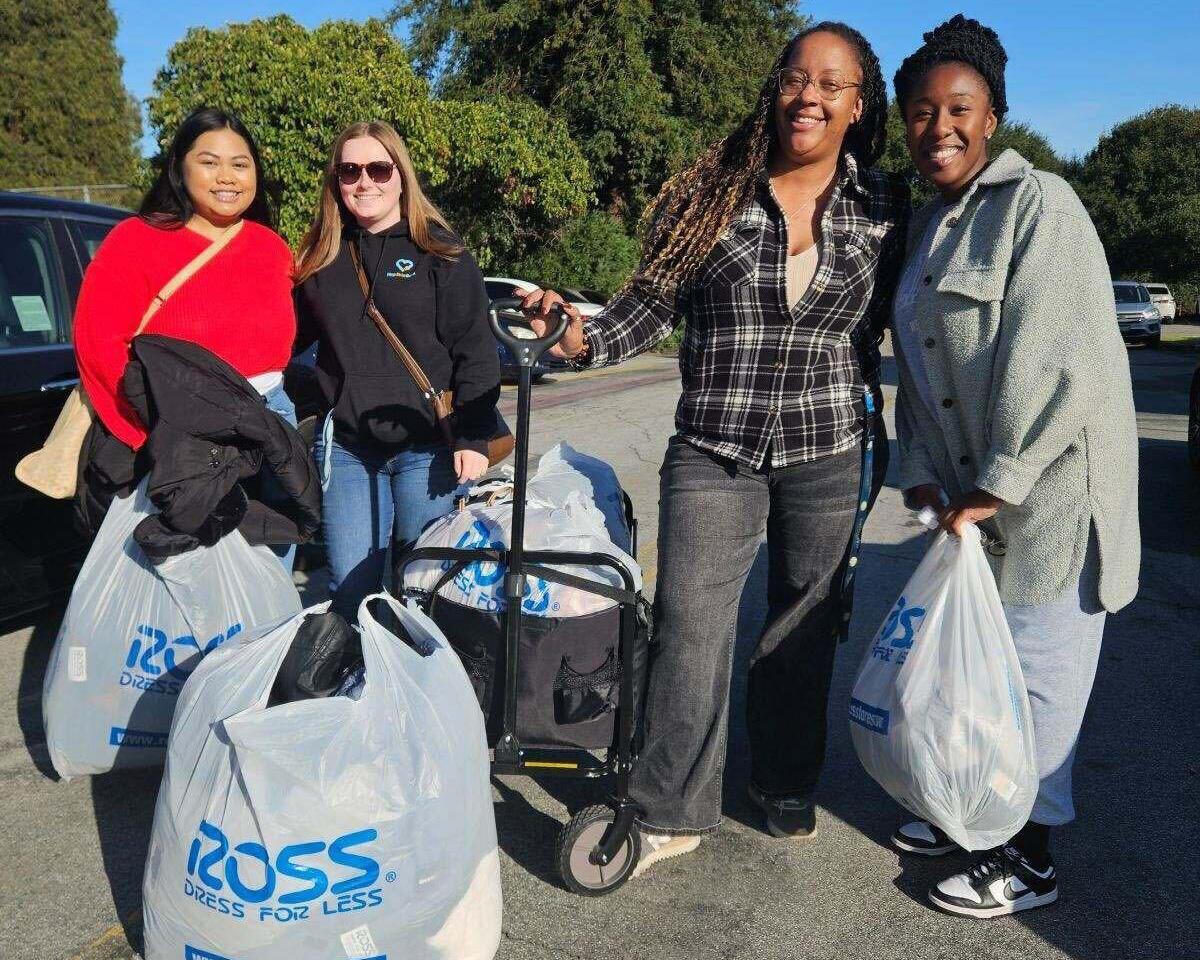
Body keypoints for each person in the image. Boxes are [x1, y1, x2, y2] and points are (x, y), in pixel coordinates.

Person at [522, 22, 909, 876]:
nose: (808, 95)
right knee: (693, 629)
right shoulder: (714, 189)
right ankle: (673, 809)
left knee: (803, 629)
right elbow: (652, 302)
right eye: (796, 77)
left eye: (831, 84)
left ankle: (783, 781)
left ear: (857, 105)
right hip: (714, 447)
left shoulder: (885, 204)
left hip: (828, 446)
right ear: (776, 88)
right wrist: (582, 340)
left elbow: (899, 324)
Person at [887, 15, 1139, 917]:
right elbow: (912, 366)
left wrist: (995, 486)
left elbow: (1060, 359)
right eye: (919, 111)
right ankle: (976, 819)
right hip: (972, 504)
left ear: (994, 115)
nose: (938, 127)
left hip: (1053, 501)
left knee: (1037, 684)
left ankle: (1026, 860)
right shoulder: (929, 224)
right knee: (978, 676)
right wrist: (919, 468)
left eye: (958, 108)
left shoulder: (1043, 207)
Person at [73, 107, 300, 568]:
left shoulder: (270, 246)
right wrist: (148, 435)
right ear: (180, 166)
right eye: (209, 161)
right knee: (190, 578)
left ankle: (268, 642)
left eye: (241, 163)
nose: (227, 177)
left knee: (269, 565)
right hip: (181, 433)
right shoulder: (136, 240)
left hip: (272, 417)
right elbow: (98, 344)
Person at [293, 121, 500, 621]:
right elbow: (285, 341)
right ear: (336, 182)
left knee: (422, 584)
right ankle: (361, 688)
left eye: (378, 168)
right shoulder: (320, 259)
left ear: (400, 175)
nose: (364, 182)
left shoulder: (439, 251)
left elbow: (474, 346)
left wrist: (473, 434)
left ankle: (420, 687)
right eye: (349, 171)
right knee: (350, 588)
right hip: (346, 450)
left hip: (426, 448)